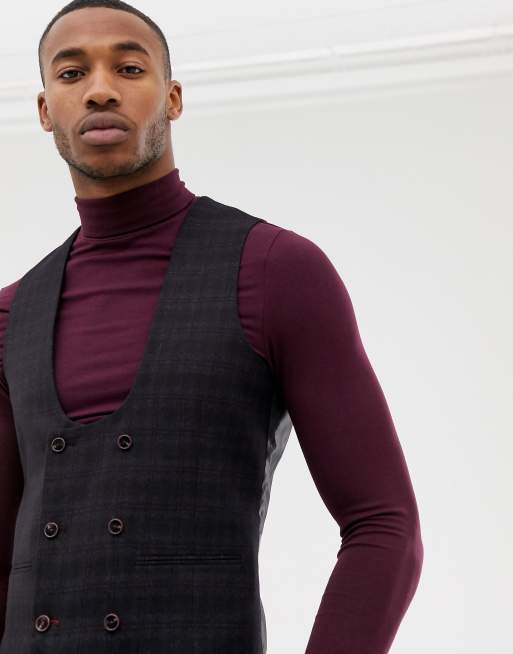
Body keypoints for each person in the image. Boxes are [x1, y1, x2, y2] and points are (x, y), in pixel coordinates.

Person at [0, 1, 424, 652]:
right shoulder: (11, 314)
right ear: (44, 110)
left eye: (129, 67)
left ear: (172, 98)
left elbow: (383, 525)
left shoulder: (277, 271)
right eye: (72, 72)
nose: (100, 89)